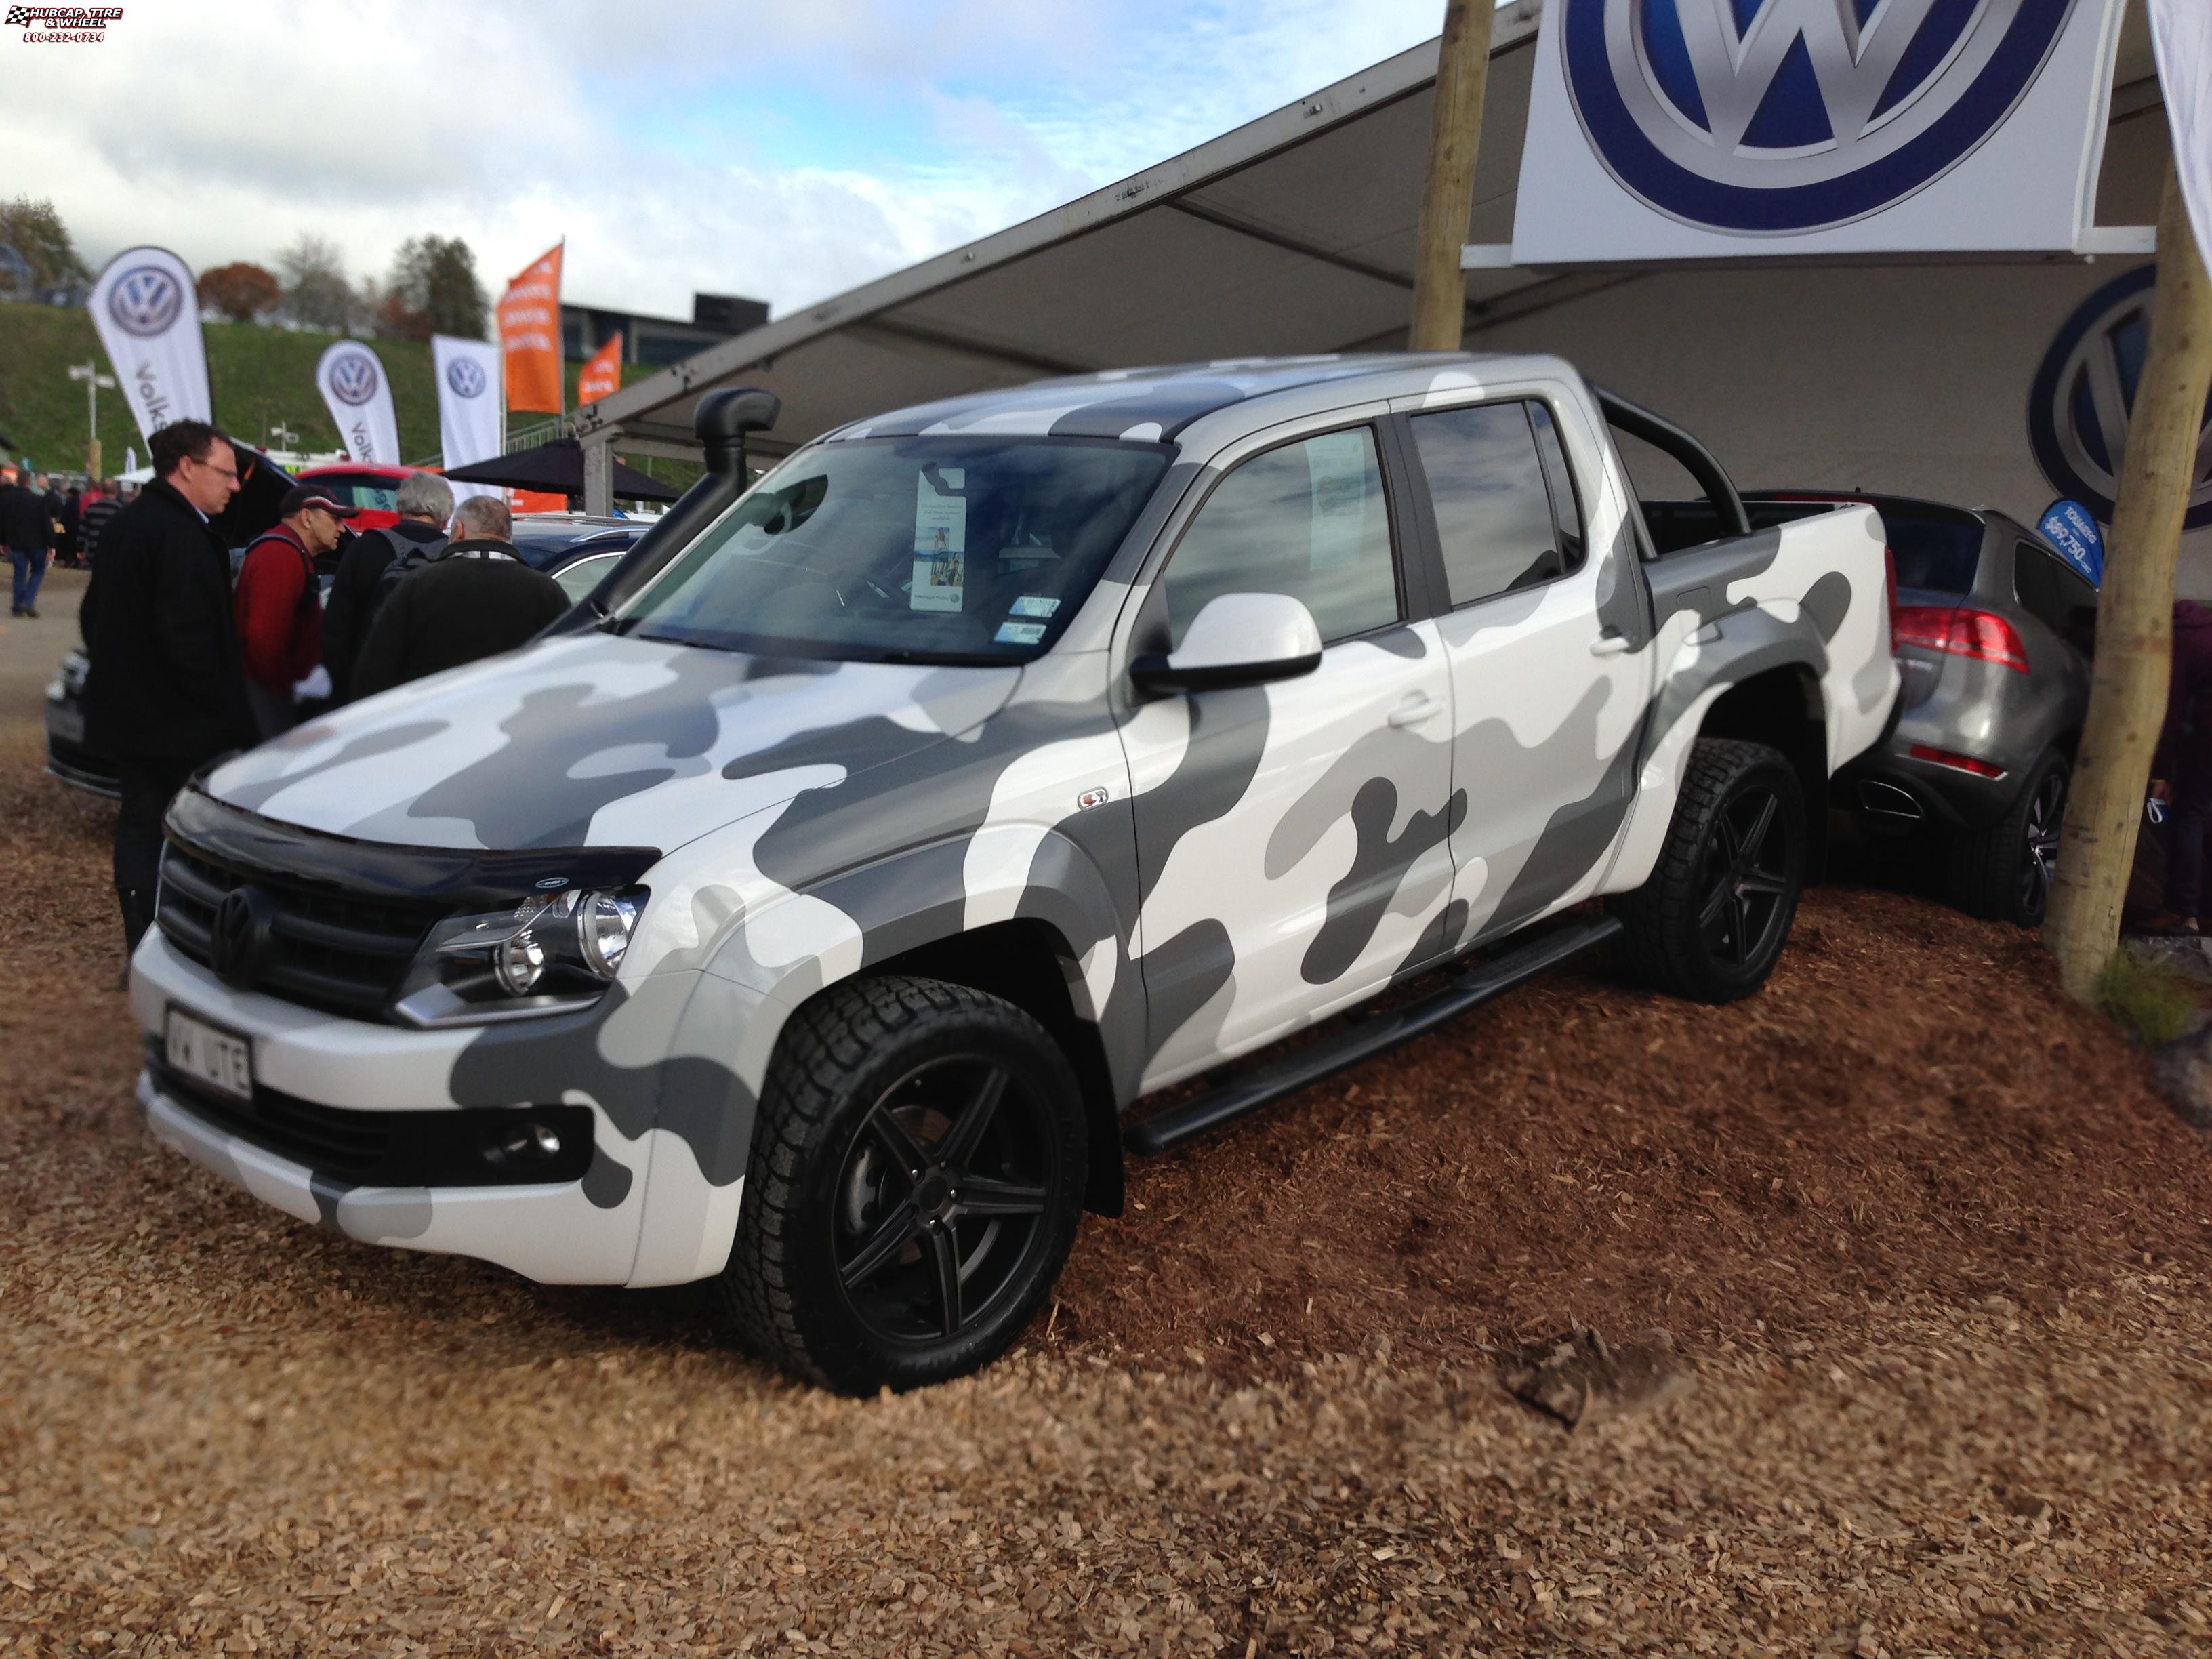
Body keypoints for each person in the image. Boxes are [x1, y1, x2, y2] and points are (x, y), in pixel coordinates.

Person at [79, 419, 255, 956]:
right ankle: (168, 945)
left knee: (139, 825)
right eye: (225, 473)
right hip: (178, 724)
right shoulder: (179, 534)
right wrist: (226, 717)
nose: (235, 485)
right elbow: (189, 641)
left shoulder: (130, 524)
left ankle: (144, 942)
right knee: (181, 838)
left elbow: (93, 617)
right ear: (187, 467)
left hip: (132, 714)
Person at [352, 495, 569, 698]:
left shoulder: (418, 585)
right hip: (514, 725)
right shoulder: (548, 593)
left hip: (433, 724)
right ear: (508, 537)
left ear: (458, 530)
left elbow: (374, 673)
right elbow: (566, 672)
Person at [235, 486, 361, 737]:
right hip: (268, 700)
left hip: (271, 695)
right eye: (335, 519)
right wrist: (291, 688)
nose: (341, 528)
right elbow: (263, 641)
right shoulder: (280, 556)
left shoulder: (288, 552)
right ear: (306, 518)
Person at [321, 470, 453, 702]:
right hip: (434, 690)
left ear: (400, 506)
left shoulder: (365, 547)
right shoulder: (453, 554)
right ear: (446, 514)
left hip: (371, 688)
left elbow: (337, 627)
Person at [2149, 599, 2212, 936]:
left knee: (2187, 818)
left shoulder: (2180, 640)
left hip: (2204, 738)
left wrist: (2161, 772)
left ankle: (2180, 911)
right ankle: (2197, 911)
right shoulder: (2205, 632)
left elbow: (2171, 709)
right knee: (2201, 819)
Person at [0, 467, 50, 617]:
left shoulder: (7, 499)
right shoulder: (38, 500)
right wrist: (52, 544)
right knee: (38, 571)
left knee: (19, 574)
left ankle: (17, 606)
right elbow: (46, 524)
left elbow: (2, 522)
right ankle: (28, 600)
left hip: (16, 542)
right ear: (30, 482)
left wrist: (3, 541)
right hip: (37, 543)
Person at [79, 478, 120, 565]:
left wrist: (80, 548)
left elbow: (82, 530)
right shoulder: (121, 510)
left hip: (94, 549)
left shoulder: (92, 508)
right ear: (116, 491)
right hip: (113, 551)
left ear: (102, 491)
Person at [57, 484, 82, 568]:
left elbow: (65, 515)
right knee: (74, 545)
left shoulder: (70, 502)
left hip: (69, 527)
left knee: (68, 545)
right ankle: (76, 561)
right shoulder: (79, 502)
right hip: (77, 526)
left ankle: (68, 561)